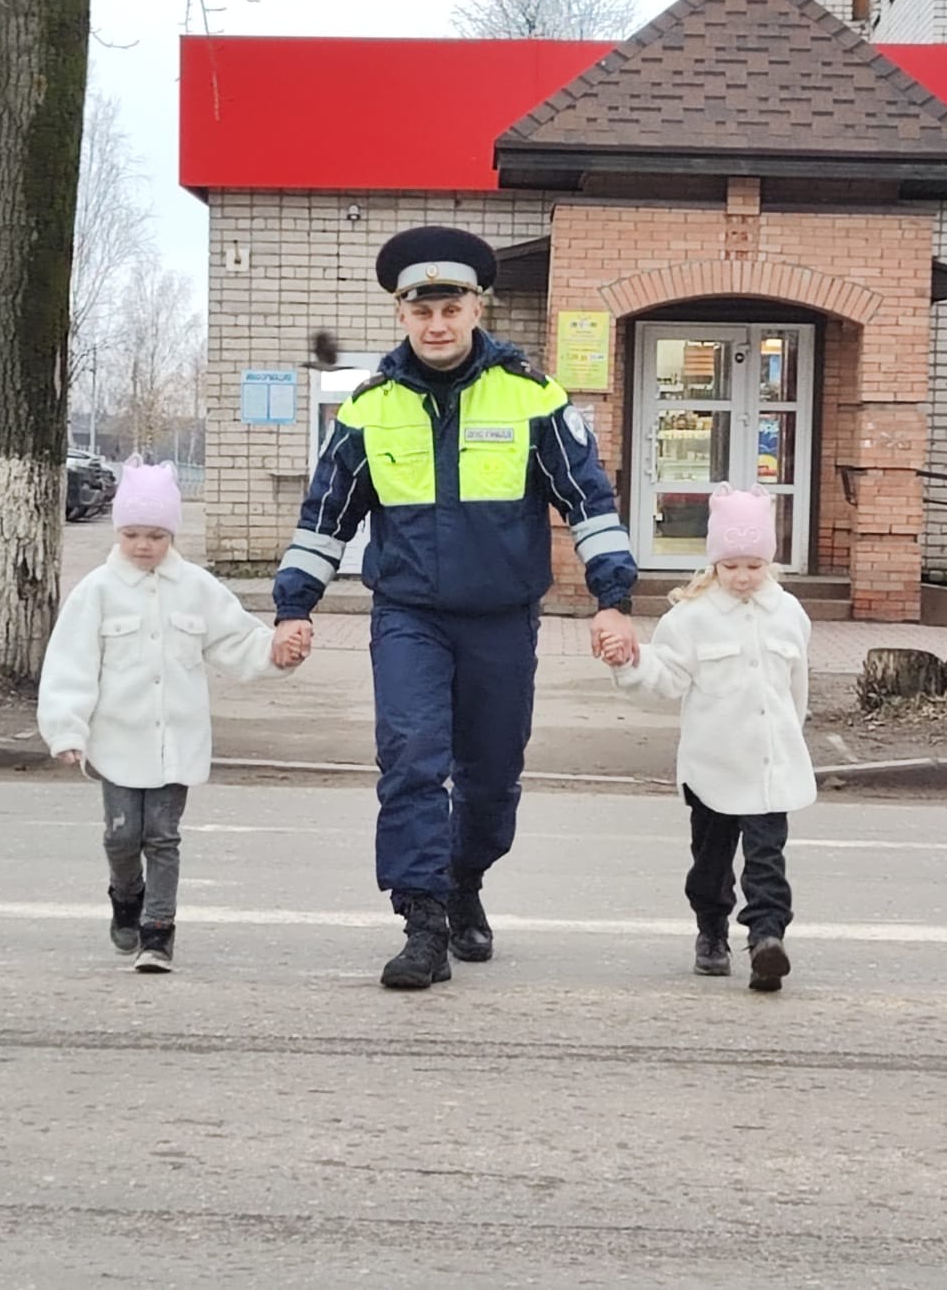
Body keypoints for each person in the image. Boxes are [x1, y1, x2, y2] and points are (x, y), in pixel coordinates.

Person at [272, 225, 638, 990]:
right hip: (409, 617)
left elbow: (589, 502)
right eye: (420, 309)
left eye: (451, 306)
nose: (436, 323)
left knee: (491, 778)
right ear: (401, 315)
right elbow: (323, 519)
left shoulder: (534, 399)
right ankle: (423, 921)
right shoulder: (368, 410)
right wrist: (292, 606)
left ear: (478, 306)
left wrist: (612, 598)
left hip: (502, 620)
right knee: (410, 759)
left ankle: (465, 876)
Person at [39, 456, 305, 973]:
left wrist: (276, 651)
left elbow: (236, 638)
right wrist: (67, 729)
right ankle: (126, 896)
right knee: (122, 835)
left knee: (162, 837)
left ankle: (157, 934)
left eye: (157, 535)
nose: (144, 546)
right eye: (134, 534)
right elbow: (70, 664)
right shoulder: (96, 591)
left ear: (172, 534)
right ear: (119, 531)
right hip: (116, 742)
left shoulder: (196, 587)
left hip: (176, 742)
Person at [598, 485, 815, 992]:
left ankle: (767, 938)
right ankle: (711, 931)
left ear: (770, 563)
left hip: (769, 767)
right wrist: (629, 660)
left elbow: (796, 689)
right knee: (711, 862)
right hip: (712, 766)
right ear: (714, 564)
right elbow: (665, 677)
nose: (743, 576)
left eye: (753, 565)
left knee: (767, 859)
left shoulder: (789, 614)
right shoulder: (691, 619)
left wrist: (787, 743)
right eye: (731, 565)